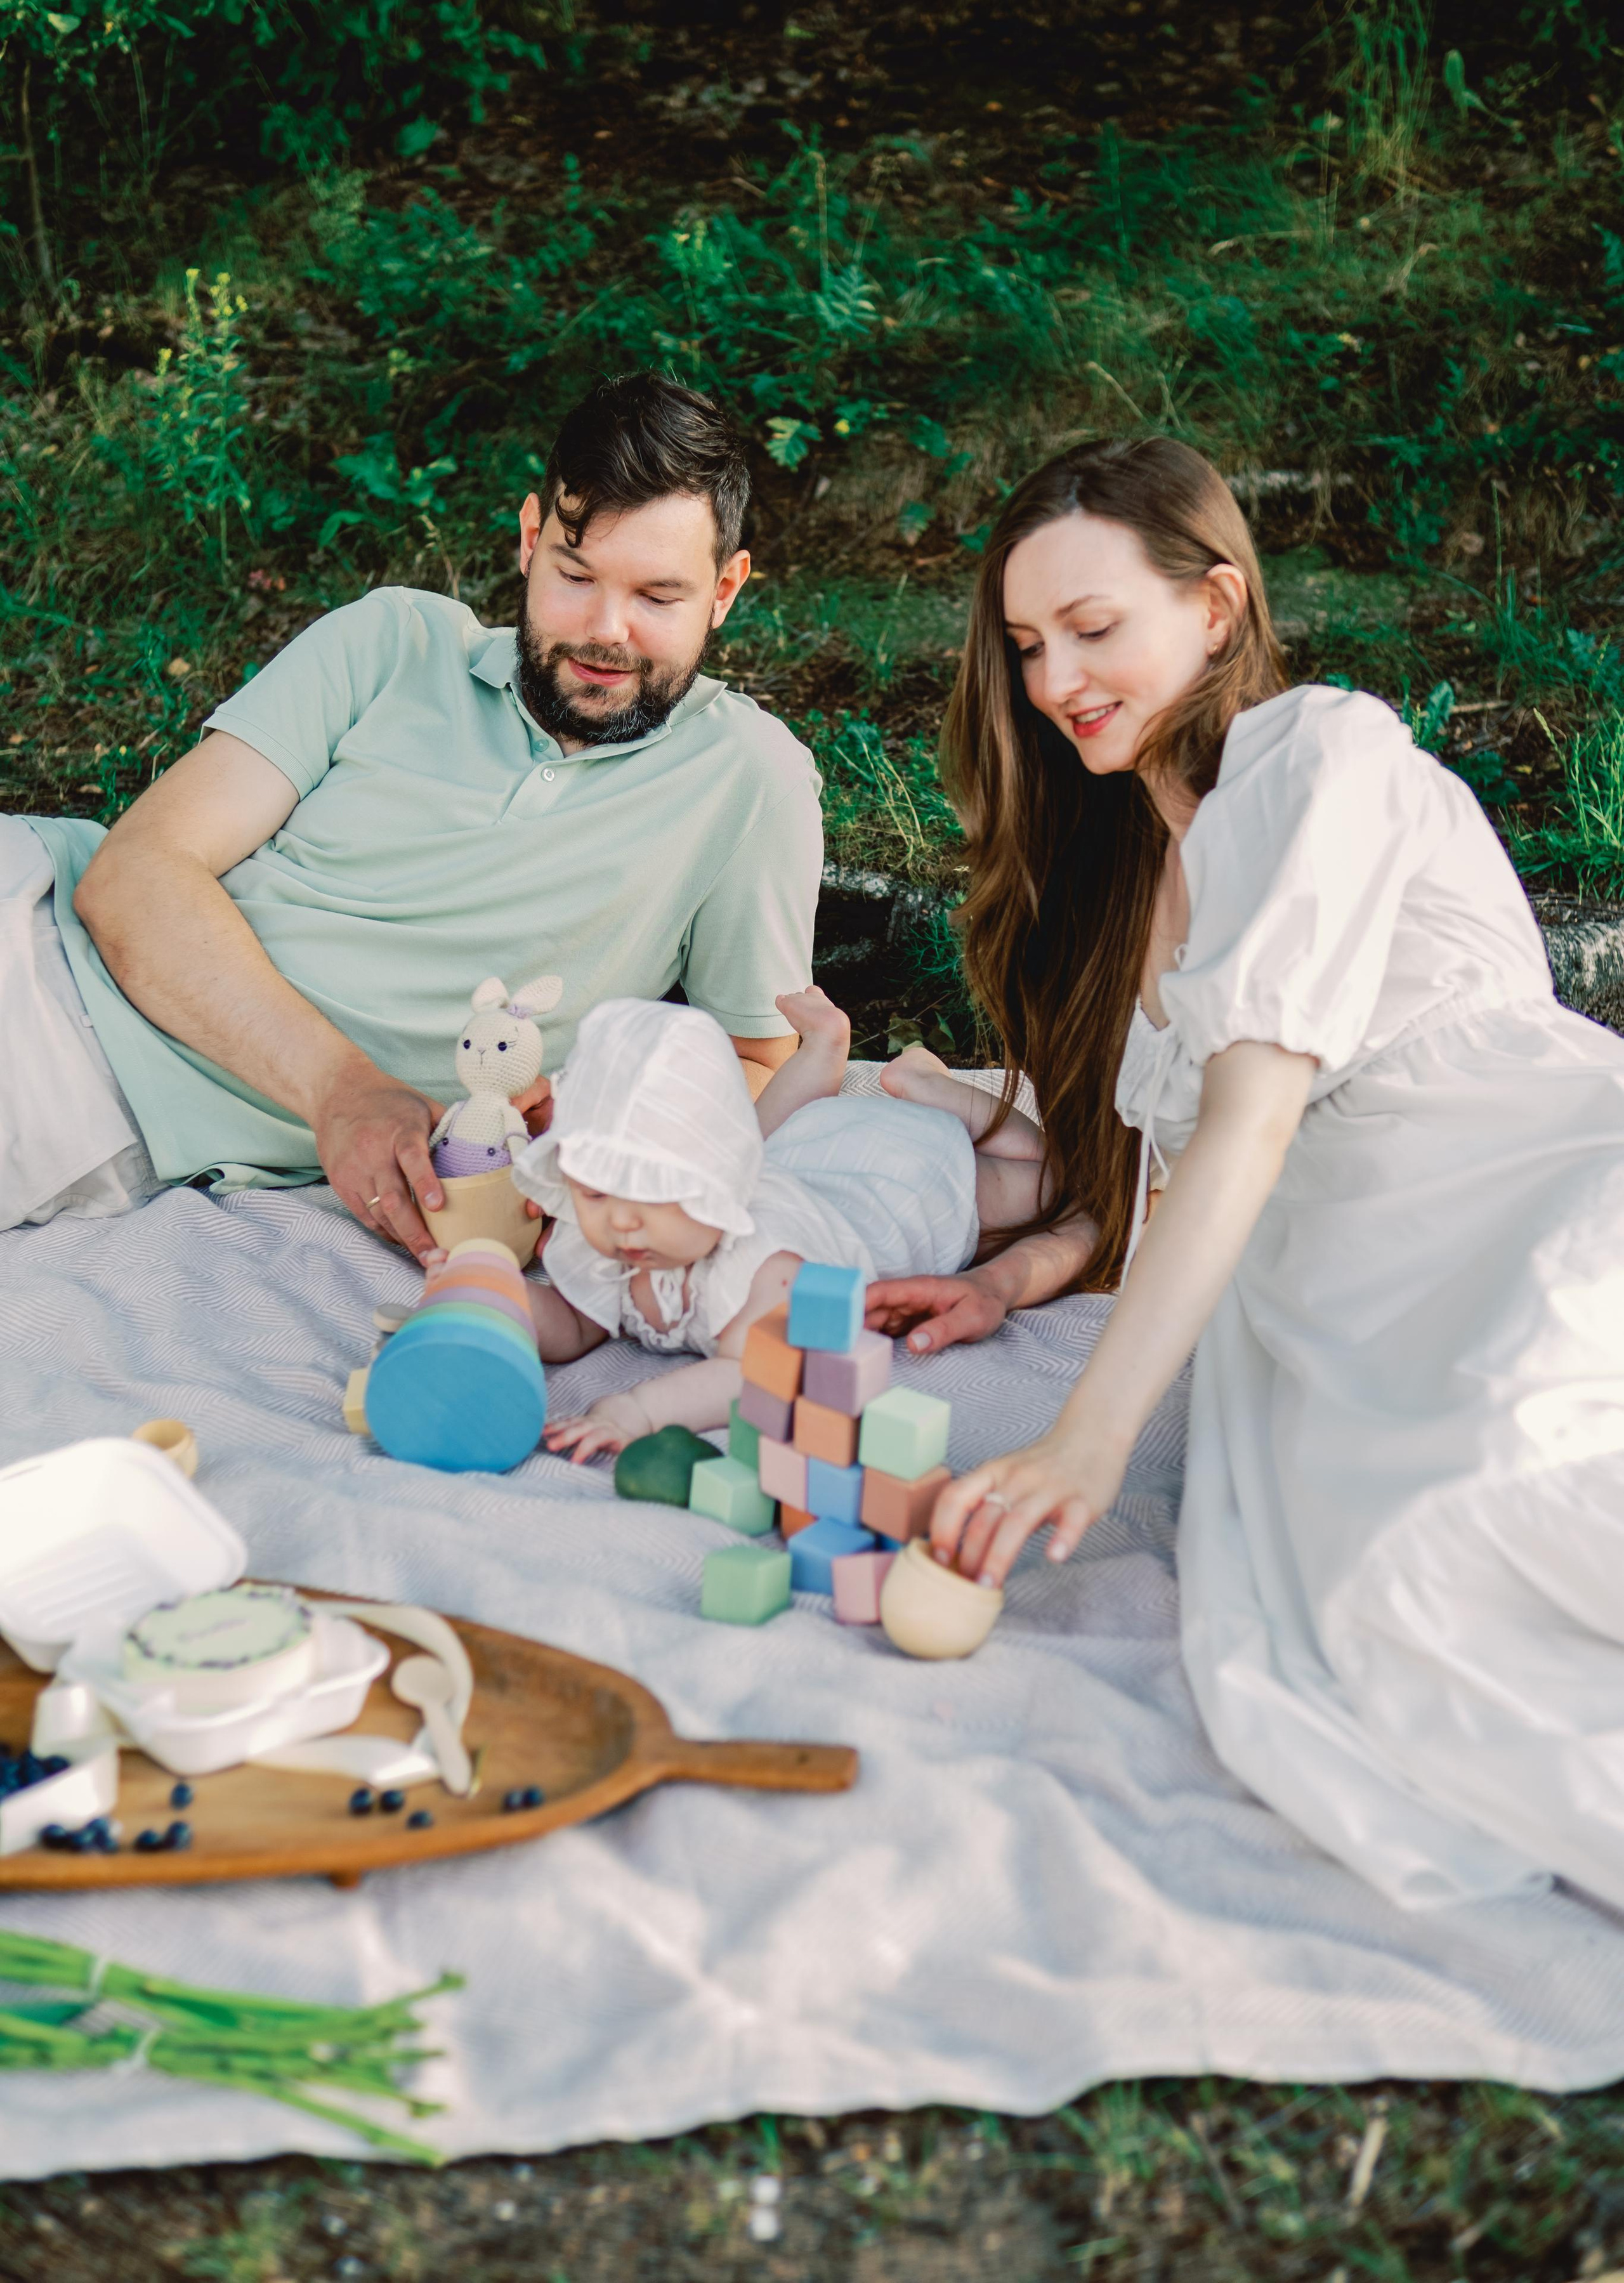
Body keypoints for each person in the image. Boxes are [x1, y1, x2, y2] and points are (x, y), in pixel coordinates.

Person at [869, 434, 1624, 1915]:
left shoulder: (1312, 754)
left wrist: (1085, 1442)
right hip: (1337, 1312)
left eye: (1093, 628)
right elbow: (1156, 1175)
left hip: (1509, 1199)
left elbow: (1252, 1125)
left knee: (1495, 1497)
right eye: (1027, 644)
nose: (1052, 678)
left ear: (1214, 608)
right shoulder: (1150, 863)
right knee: (1373, 1615)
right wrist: (1008, 1277)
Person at [4, 374, 822, 1257]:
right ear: (528, 539)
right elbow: (136, 873)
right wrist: (343, 1092)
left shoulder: (749, 779)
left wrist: (591, 1141)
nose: (606, 632)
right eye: (576, 576)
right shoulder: (394, 641)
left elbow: (757, 1063)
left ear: (726, 591)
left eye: (659, 597)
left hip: (92, 1088)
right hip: (36, 925)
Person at [523, 986, 1042, 1460]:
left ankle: (923, 1081)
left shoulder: (770, 1266)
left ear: (715, 1181)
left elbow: (750, 1373)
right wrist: (489, 1289)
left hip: (901, 1180)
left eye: (655, 1193)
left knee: (1047, 1177)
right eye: (593, 1192)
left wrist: (637, 1411)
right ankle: (832, 1051)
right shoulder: (615, 1237)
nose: (620, 1223)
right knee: (769, 1139)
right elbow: (571, 1325)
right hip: (802, 1157)